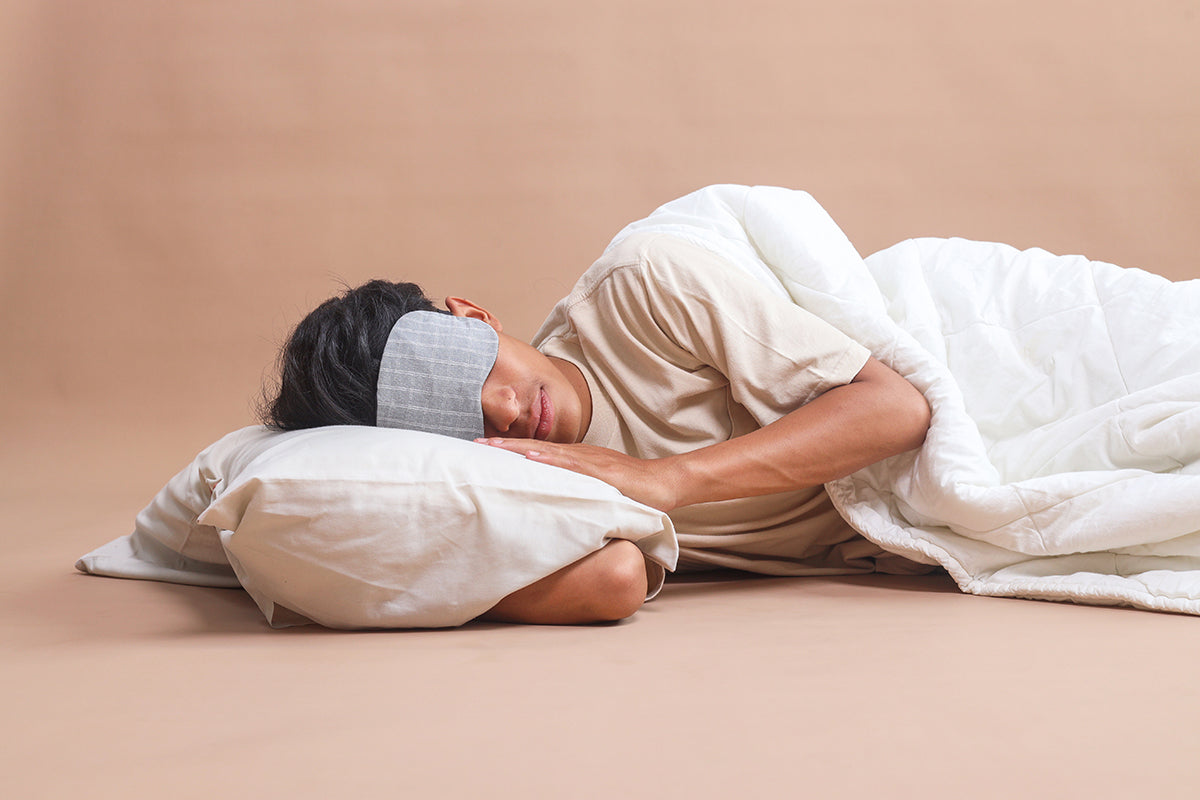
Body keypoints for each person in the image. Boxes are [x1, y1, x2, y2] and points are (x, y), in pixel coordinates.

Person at [264, 233, 933, 625]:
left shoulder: (643, 291)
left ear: (475, 318)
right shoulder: (519, 480)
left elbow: (897, 407)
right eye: (453, 415)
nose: (498, 408)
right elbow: (615, 578)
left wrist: (667, 480)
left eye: (473, 369)